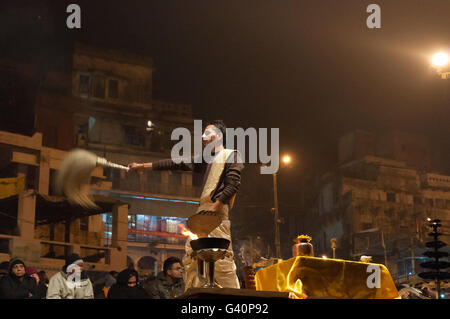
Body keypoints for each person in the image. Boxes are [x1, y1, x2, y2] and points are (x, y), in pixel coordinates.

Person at [129, 120, 244, 289]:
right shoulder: (206, 159)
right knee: (194, 257)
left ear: (219, 136)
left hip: (217, 216)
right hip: (204, 214)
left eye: (207, 133)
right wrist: (143, 166)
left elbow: (232, 185)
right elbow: (176, 162)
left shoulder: (232, 155)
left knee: (220, 261)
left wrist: (215, 206)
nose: (203, 137)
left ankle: (228, 297)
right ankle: (198, 295)